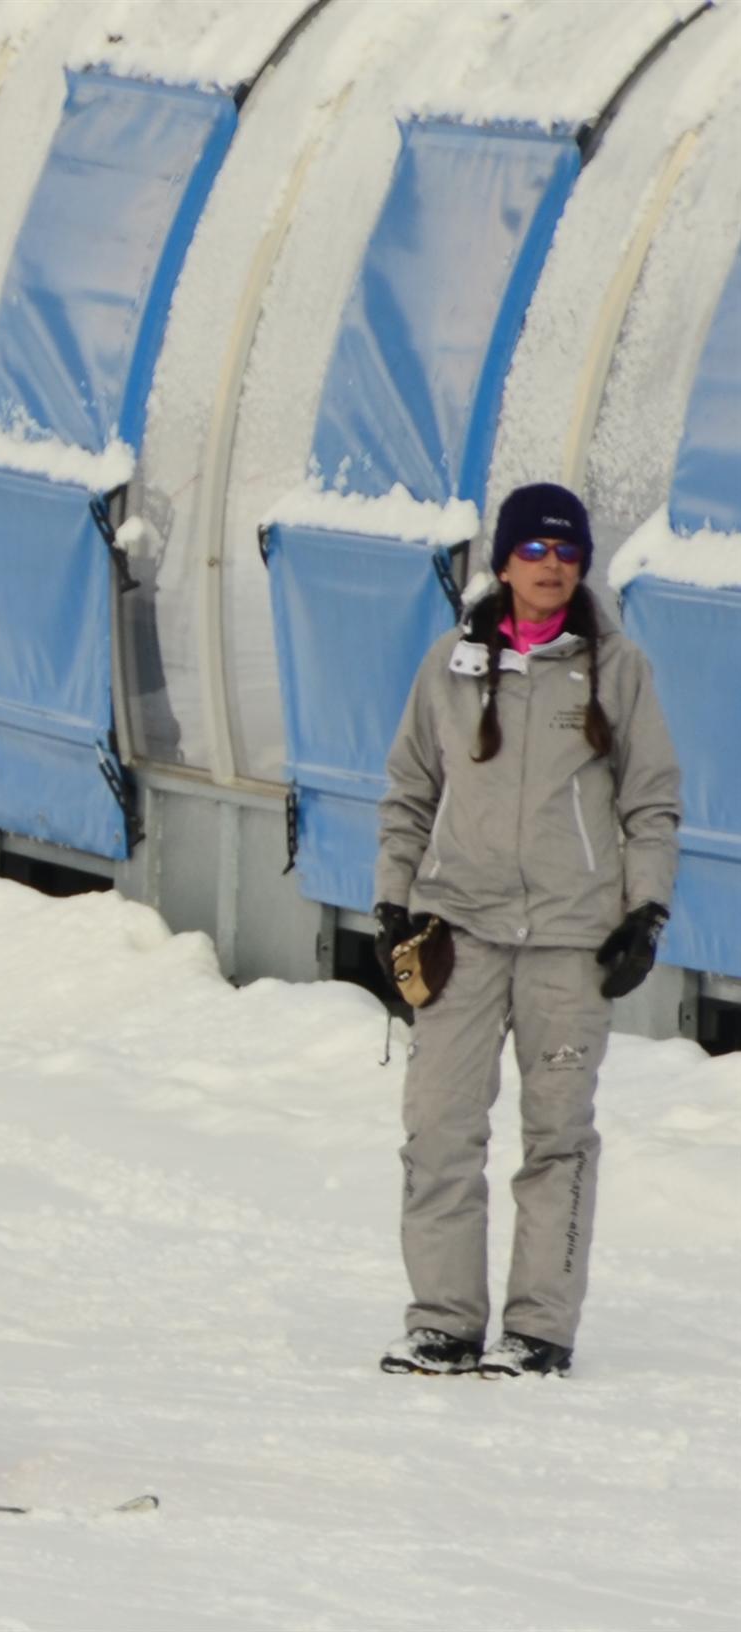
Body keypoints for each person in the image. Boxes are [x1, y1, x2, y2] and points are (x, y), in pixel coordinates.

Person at [374, 483, 680, 1381]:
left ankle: (540, 1328)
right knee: (439, 1130)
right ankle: (443, 1323)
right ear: (503, 562)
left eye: (568, 551)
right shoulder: (450, 665)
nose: (553, 566)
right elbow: (409, 793)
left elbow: (651, 802)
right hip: (459, 932)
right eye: (535, 550)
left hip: (569, 944)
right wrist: (392, 906)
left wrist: (644, 912)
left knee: (557, 1135)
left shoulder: (617, 670)